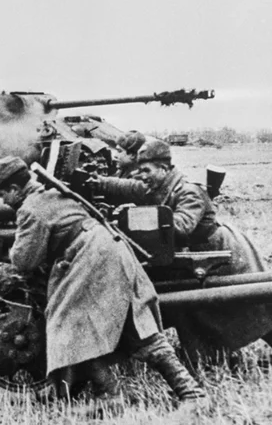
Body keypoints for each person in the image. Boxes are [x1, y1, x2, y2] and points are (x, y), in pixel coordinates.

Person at [0, 156, 206, 409]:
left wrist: (9, 250)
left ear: (14, 189)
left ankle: (119, 393)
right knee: (135, 326)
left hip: (92, 258)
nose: (4, 201)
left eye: (4, 194)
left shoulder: (31, 209)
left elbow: (25, 261)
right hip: (109, 249)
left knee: (71, 325)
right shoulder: (53, 193)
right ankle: (182, 393)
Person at [93, 139, 272, 368]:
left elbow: (181, 226)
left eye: (146, 171)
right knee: (199, 309)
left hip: (220, 252)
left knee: (242, 306)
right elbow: (128, 187)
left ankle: (213, 357)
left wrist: (138, 219)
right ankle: (206, 356)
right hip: (192, 253)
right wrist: (98, 183)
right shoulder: (159, 185)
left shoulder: (189, 191)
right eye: (139, 170)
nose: (141, 176)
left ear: (163, 169)